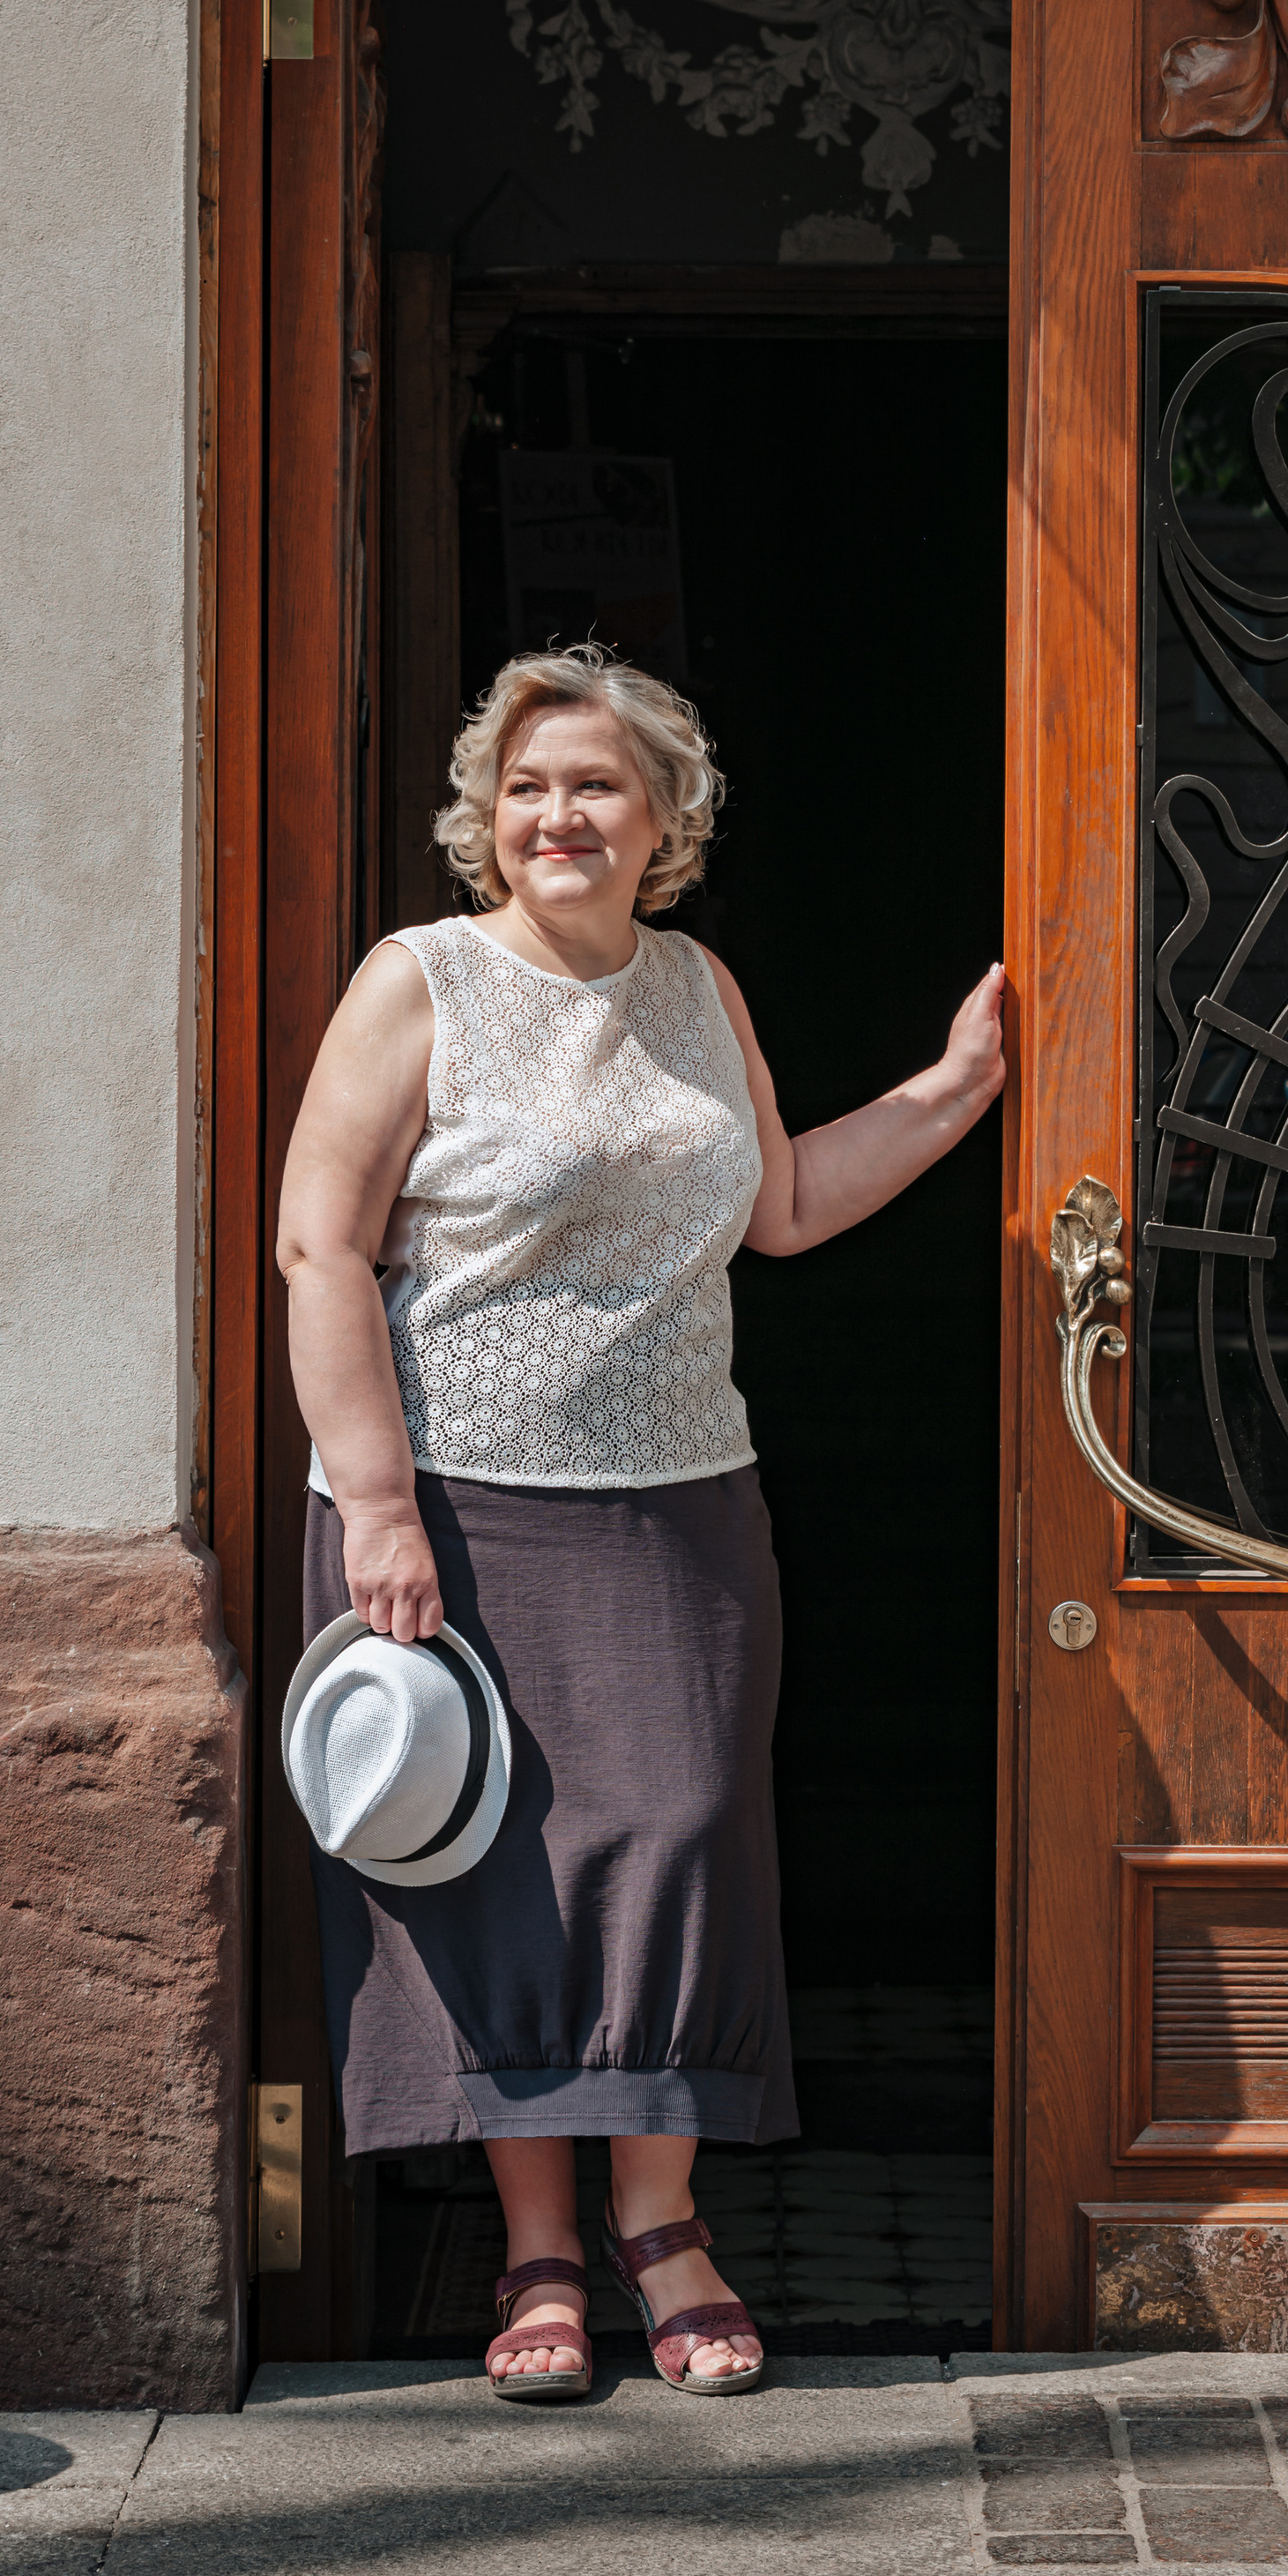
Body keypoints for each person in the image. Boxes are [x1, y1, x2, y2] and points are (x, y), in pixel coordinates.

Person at [275, 642, 1006, 2399]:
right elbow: (321, 1245)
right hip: (451, 1507)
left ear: (663, 818)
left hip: (678, 1504)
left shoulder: (696, 986)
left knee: (678, 1844)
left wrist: (960, 1084)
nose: (556, 817)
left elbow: (788, 1206)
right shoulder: (419, 982)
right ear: (483, 818)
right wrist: (377, 1499)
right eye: (525, 789)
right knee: (494, 1868)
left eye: (594, 786)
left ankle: (659, 2227)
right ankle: (540, 2254)